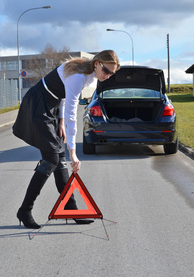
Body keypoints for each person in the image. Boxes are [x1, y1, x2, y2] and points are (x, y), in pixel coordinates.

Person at [13, 50, 120, 229]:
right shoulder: (79, 76)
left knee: (59, 161)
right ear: (97, 64)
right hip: (39, 106)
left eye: (112, 73)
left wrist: (60, 122)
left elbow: (62, 97)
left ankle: (72, 210)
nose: (108, 76)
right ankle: (25, 210)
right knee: (52, 160)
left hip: (51, 108)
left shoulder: (89, 74)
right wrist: (73, 152)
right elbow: (72, 113)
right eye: (107, 71)